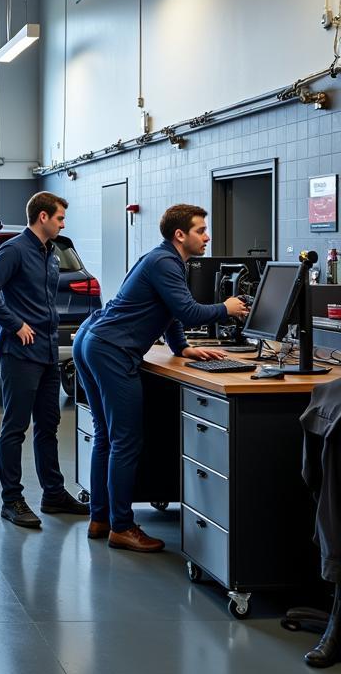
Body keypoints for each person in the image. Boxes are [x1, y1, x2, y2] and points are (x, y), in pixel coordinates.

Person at [72, 204, 249, 553]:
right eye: (201, 230)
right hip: (111, 350)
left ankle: (101, 517)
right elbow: (186, 310)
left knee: (107, 436)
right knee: (125, 441)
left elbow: (168, 312)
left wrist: (181, 348)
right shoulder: (167, 262)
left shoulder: (160, 259)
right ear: (180, 234)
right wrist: (225, 308)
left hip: (93, 341)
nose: (207, 236)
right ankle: (121, 527)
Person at [0, 192, 90, 528]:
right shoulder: (15, 250)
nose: (63, 224)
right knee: (15, 427)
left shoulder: (51, 252)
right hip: (20, 352)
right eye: (59, 218)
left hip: (47, 352)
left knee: (48, 426)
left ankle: (53, 493)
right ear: (42, 217)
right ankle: (11, 500)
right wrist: (15, 323)